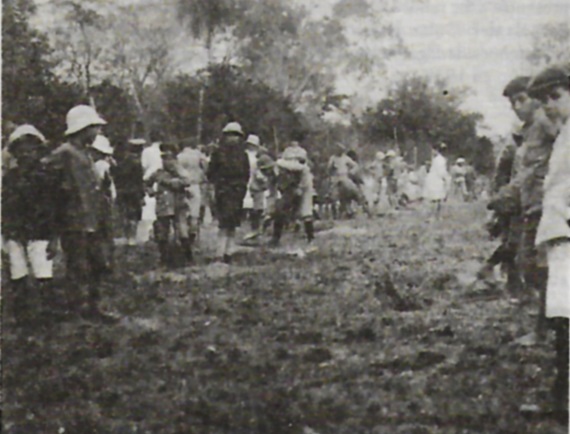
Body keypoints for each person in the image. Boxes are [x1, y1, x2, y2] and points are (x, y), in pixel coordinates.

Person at [492, 74, 558, 338]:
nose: (517, 107)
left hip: (546, 204)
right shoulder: (526, 131)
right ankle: (545, 326)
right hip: (530, 204)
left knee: (534, 266)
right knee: (530, 266)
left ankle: (545, 328)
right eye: (512, 103)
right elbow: (522, 172)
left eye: (521, 99)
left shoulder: (544, 122)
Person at [42, 105, 114, 322]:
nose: (98, 133)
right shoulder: (63, 153)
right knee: (78, 268)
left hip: (92, 219)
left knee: (98, 264)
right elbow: (49, 186)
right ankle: (77, 312)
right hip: (73, 221)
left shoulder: (85, 154)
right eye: (95, 129)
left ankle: (94, 307)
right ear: (83, 128)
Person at [527, 65, 570, 421]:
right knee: (560, 318)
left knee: (566, 319)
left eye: (556, 96)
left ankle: (564, 400)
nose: (550, 105)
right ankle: (562, 397)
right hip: (560, 238)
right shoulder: (564, 135)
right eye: (544, 100)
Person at [2, 125, 59, 324]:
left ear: (38, 151)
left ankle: (47, 314)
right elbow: (5, 207)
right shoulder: (9, 178)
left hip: (40, 231)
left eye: (31, 149)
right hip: (15, 231)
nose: (26, 154)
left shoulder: (46, 177)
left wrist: (53, 238)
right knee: (18, 273)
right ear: (15, 153)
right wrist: (5, 234)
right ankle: (22, 316)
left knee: (43, 271)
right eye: (21, 150)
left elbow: (53, 208)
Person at [206, 122, 250, 263]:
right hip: (223, 191)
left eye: (235, 136)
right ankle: (220, 252)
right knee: (224, 223)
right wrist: (214, 189)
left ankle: (228, 252)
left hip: (237, 191)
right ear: (225, 137)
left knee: (232, 223)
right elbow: (211, 173)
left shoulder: (243, 155)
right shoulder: (218, 153)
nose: (233, 138)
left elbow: (246, 174)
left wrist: (242, 188)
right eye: (230, 135)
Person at [146, 142, 192, 267]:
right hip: (163, 205)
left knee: (182, 230)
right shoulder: (158, 172)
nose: (167, 161)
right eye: (164, 158)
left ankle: (187, 257)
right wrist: (151, 191)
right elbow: (147, 182)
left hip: (178, 204)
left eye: (169, 158)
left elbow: (187, 181)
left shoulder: (180, 171)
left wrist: (173, 182)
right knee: (162, 232)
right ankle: (164, 258)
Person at [270, 158, 314, 246]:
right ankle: (275, 239)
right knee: (279, 210)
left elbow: (304, 169)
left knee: (305, 212)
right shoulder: (272, 176)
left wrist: (300, 188)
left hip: (304, 183)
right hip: (291, 187)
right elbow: (274, 192)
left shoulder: (284, 165)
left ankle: (311, 238)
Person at [89, 135, 116, 271]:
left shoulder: (100, 165)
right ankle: (106, 261)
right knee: (105, 233)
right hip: (105, 201)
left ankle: (104, 262)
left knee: (101, 233)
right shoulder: (105, 164)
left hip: (100, 201)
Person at [177, 137, 207, 251]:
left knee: (182, 215)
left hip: (182, 186)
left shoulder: (179, 156)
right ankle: (192, 237)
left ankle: (183, 239)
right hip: (195, 184)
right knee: (195, 214)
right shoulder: (198, 155)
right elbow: (206, 167)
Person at [113, 138, 145, 246]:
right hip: (134, 192)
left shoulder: (119, 162)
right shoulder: (136, 162)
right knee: (134, 215)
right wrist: (142, 194)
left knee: (124, 214)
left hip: (122, 191)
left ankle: (126, 236)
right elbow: (139, 180)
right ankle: (132, 237)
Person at [139, 133, 164, 243]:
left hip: (149, 176)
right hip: (161, 178)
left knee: (148, 204)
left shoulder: (147, 151)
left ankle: (149, 230)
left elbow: (143, 165)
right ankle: (157, 229)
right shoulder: (163, 151)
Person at [422, 143, 450, 219]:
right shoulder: (436, 159)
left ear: (436, 150)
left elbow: (441, 172)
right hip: (434, 181)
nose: (432, 152)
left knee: (436, 199)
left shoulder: (440, 160)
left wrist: (445, 179)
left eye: (433, 150)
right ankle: (436, 216)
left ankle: (435, 216)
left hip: (437, 181)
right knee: (435, 199)